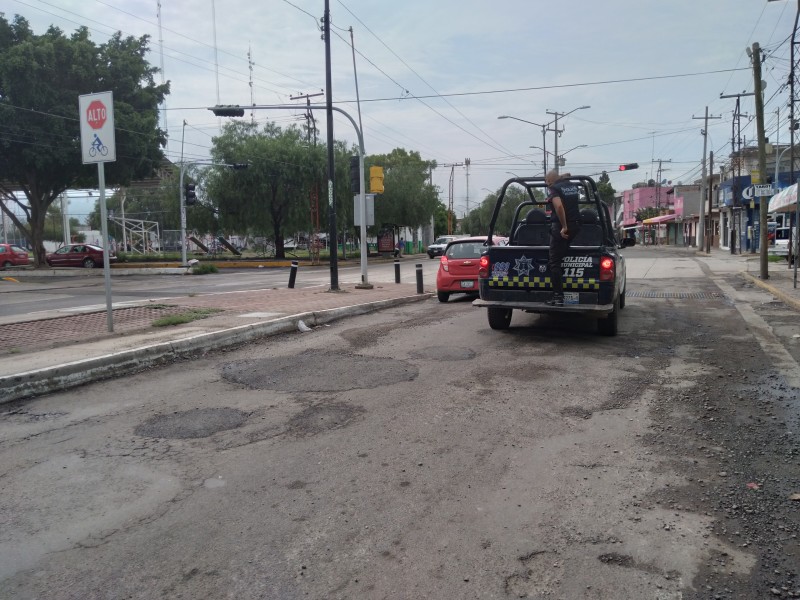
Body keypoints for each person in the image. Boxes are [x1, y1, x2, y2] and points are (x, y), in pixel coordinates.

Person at [544, 170, 582, 306]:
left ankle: (558, 297)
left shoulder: (553, 188)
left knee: (554, 262)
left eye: (546, 182)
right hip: (576, 226)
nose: (547, 185)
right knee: (562, 251)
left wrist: (564, 226)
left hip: (561, 227)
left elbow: (558, 206)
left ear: (550, 181)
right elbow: (566, 178)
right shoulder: (573, 186)